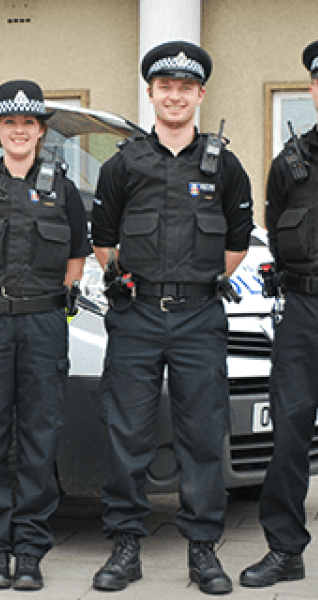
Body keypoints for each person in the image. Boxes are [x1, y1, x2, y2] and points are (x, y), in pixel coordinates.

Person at [91, 41, 253, 595]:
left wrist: (191, 283)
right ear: (152, 93)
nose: (176, 96)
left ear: (200, 94)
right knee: (127, 434)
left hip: (199, 317)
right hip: (136, 315)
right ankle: (125, 545)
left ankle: (203, 551)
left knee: (203, 435)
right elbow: (103, 240)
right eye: (166, 87)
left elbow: (236, 244)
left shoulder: (224, 165)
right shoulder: (124, 163)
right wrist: (141, 283)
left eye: (186, 88)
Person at [0, 80, 88, 591]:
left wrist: (59, 294)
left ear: (41, 131)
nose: (19, 131)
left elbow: (77, 252)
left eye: (28, 124)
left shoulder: (62, 188)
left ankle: (29, 548)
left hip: (44, 324)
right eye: (10, 123)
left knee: (39, 434)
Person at [239, 40, 318, 589]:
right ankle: (285, 551)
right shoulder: (289, 165)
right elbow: (272, 224)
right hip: (304, 308)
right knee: (288, 432)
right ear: (313, 88)